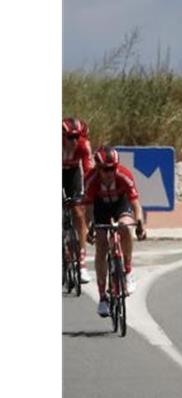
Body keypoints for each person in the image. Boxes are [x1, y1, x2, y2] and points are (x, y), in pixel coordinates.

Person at [83, 146, 147, 316]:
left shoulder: (124, 175)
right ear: (98, 168)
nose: (110, 172)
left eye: (113, 168)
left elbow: (135, 204)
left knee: (125, 226)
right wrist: (90, 228)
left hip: (120, 204)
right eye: (106, 169)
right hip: (100, 208)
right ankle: (103, 297)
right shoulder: (91, 179)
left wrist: (140, 223)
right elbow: (88, 210)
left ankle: (128, 270)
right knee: (101, 245)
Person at [63, 117, 94, 283]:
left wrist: (86, 195)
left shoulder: (83, 145)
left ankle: (81, 265)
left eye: (77, 137)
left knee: (78, 213)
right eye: (70, 138)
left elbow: (88, 172)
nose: (74, 141)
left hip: (72, 174)